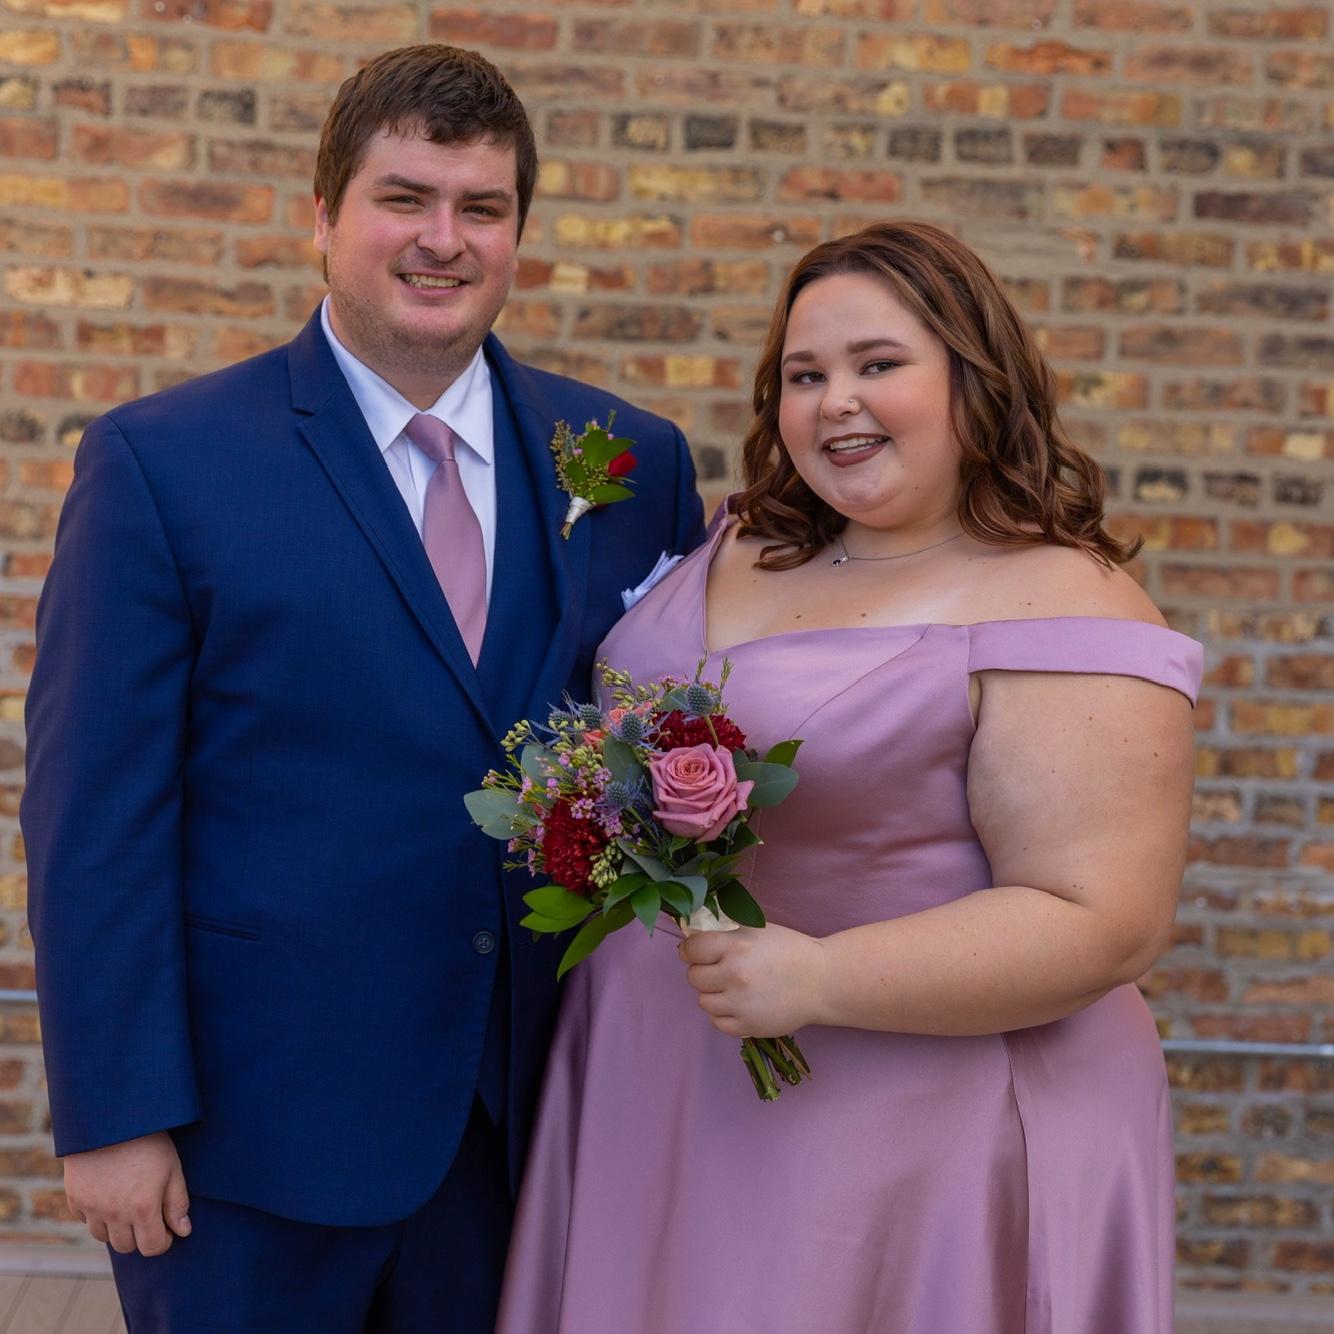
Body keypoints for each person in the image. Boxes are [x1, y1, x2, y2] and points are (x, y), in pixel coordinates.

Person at [21, 44, 703, 1334]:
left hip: (531, 1133)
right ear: (323, 217)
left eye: (481, 208)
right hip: (249, 1143)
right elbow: (92, 819)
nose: (442, 239)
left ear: (516, 233)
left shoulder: (623, 464)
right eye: (405, 199)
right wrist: (114, 1114)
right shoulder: (163, 464)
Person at [496, 220, 1199, 1334]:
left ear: (974, 381)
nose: (835, 402)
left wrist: (820, 978)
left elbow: (1102, 918)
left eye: (878, 365)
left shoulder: (1063, 602)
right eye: (804, 375)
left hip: (908, 1130)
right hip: (656, 1087)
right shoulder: (735, 539)